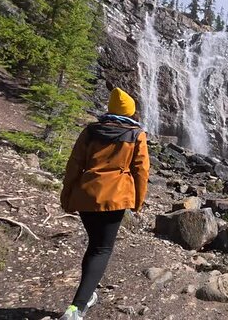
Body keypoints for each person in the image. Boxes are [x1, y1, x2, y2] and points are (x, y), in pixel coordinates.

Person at [58, 87, 150, 320]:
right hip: (116, 197)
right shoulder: (135, 134)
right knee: (102, 248)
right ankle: (76, 308)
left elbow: (74, 165)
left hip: (86, 195)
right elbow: (141, 171)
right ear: (130, 112)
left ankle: (86, 296)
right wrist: (138, 202)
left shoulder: (90, 131)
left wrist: (67, 195)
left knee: (95, 245)